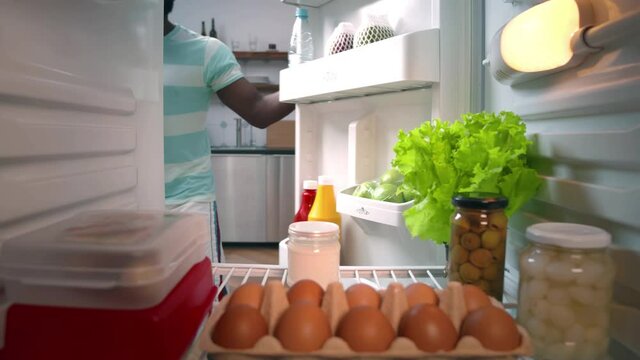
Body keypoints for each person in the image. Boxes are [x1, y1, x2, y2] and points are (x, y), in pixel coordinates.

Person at [163, 0, 294, 266]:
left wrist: (313, 79)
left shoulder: (206, 51)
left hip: (188, 201)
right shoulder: (103, 51)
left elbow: (258, 109)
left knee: (202, 292)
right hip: (121, 201)